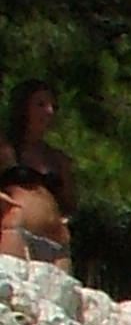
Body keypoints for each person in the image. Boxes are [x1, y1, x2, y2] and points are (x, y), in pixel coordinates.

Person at [1, 80, 76, 266]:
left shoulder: (56, 158)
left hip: (57, 242)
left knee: (59, 295)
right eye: (41, 105)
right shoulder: (6, 148)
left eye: (53, 106)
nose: (49, 111)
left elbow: (71, 202)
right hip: (19, 232)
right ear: (24, 107)